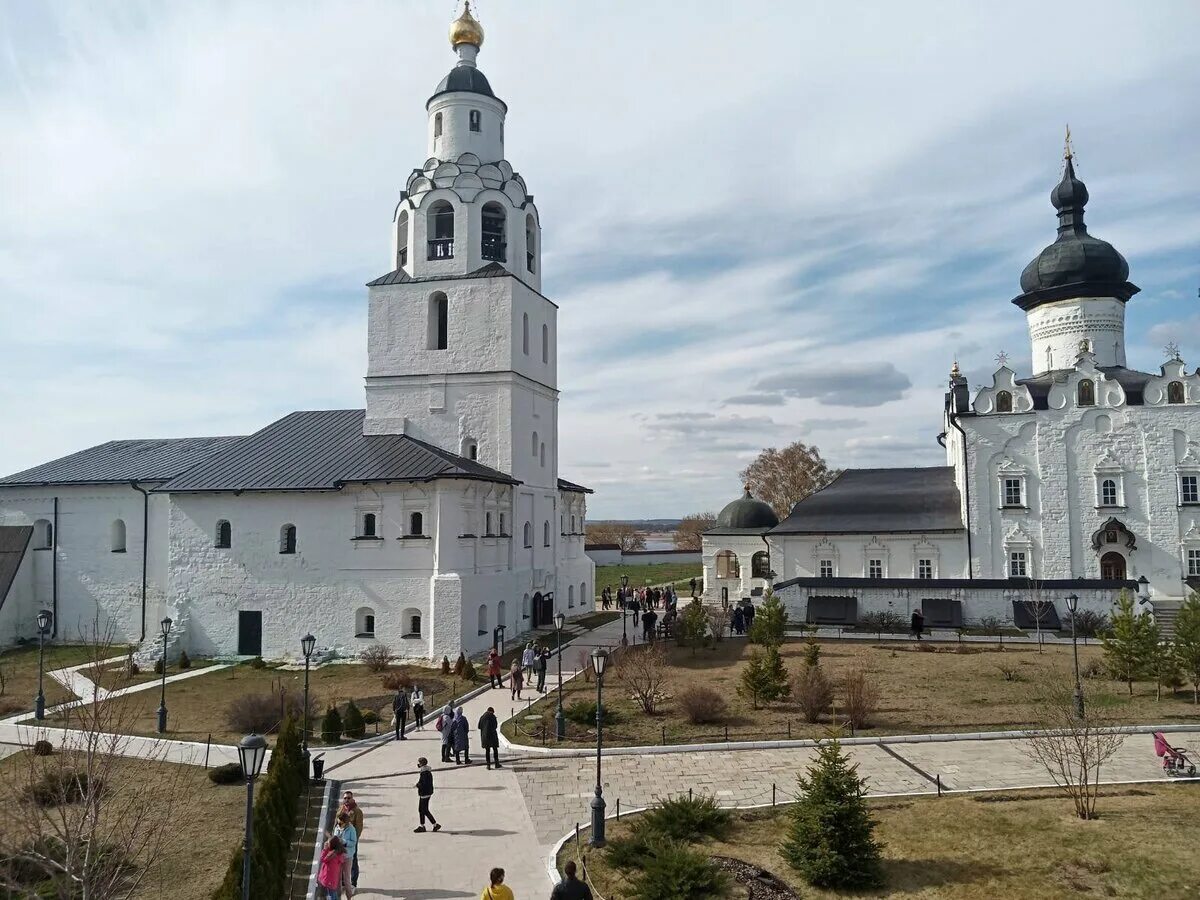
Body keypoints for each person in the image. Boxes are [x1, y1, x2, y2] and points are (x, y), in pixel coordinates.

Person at [338, 791, 364, 888]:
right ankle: (343, 882)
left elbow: (359, 827)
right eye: (345, 798)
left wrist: (354, 841)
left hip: (351, 841)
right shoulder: (341, 809)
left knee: (353, 860)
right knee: (341, 860)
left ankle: (353, 883)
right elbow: (336, 823)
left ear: (352, 799)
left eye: (349, 798)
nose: (347, 800)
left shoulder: (357, 811)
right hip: (341, 840)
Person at [332, 810, 359, 891]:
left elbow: (354, 842)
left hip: (347, 856)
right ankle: (338, 892)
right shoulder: (337, 827)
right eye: (338, 823)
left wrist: (344, 842)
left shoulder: (351, 829)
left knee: (346, 877)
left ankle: (349, 893)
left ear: (346, 822)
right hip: (338, 855)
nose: (339, 825)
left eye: (341, 823)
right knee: (338, 876)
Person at [414, 756, 441, 833]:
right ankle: (428, 825)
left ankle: (428, 825)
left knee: (424, 810)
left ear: (422, 764)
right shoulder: (425, 771)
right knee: (422, 810)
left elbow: (424, 783)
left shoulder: (424, 773)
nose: (418, 764)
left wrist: (418, 785)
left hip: (424, 793)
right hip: (426, 793)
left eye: (419, 763)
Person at [317, 835, 349, 900]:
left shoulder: (332, 855)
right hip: (333, 879)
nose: (327, 844)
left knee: (331, 895)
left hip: (328, 878)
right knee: (333, 894)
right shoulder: (338, 852)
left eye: (329, 843)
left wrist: (325, 849)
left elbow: (323, 859)